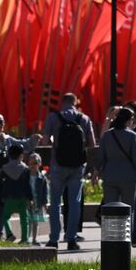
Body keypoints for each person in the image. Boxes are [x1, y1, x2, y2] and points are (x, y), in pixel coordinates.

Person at [43, 93, 97, 251]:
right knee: (74, 204)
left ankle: (54, 239)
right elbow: (92, 145)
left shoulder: (53, 118)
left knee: (55, 203)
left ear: (62, 102)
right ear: (76, 103)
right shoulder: (84, 119)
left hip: (57, 165)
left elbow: (45, 141)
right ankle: (71, 239)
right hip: (77, 167)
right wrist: (93, 168)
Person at [98, 107, 136, 212]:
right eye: (132, 120)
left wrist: (96, 173)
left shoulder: (107, 135)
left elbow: (101, 157)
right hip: (128, 177)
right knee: (128, 210)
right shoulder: (132, 136)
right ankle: (126, 229)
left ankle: (111, 228)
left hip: (110, 176)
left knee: (109, 208)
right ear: (128, 120)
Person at [0, 144, 33, 242]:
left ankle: (9, 234)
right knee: (24, 219)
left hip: (9, 197)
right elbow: (28, 185)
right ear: (21, 155)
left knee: (5, 217)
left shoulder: (5, 168)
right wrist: (30, 198)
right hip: (23, 197)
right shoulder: (25, 169)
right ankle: (24, 239)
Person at [27, 153, 48, 245]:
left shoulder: (42, 178)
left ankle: (34, 239)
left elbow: (45, 192)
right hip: (28, 201)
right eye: (30, 163)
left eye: (35, 163)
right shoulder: (26, 176)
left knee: (35, 221)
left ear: (39, 164)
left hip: (37, 202)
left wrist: (45, 203)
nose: (32, 165)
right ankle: (26, 238)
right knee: (27, 221)